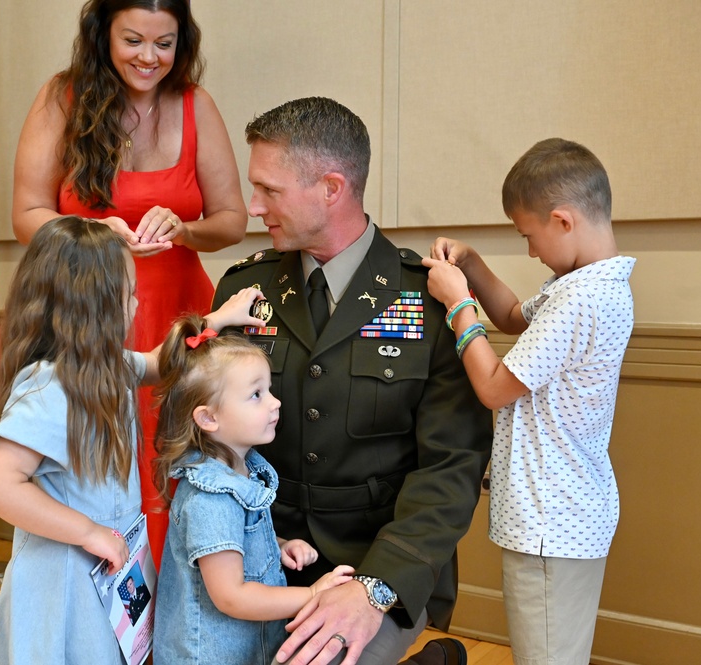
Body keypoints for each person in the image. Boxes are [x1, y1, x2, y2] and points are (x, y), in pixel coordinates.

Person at [211, 97, 492, 665]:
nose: (253, 205)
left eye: (269, 189)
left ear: (331, 188)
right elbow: (214, 443)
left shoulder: (428, 299)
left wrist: (375, 588)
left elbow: (450, 469)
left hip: (376, 561)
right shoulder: (245, 290)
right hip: (259, 555)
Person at [11, 0, 248, 568]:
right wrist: (94, 231)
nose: (149, 57)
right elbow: (26, 215)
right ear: (103, 35)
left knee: (182, 461)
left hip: (180, 311)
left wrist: (187, 230)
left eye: (164, 44)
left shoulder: (196, 104)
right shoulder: (61, 98)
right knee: (109, 464)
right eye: (133, 41)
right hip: (90, 314)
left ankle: (185, 619)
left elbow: (233, 221)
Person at [0, 216, 262, 665]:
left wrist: (218, 318)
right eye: (127, 293)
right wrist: (89, 532)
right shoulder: (49, 387)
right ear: (92, 305)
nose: (135, 304)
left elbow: (159, 362)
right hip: (65, 581)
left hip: (106, 573)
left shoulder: (107, 365)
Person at [422, 138, 636, 665]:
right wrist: (472, 266)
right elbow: (516, 317)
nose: (531, 251)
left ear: (563, 221)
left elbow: (494, 387)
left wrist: (458, 305)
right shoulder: (586, 285)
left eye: (529, 235)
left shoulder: (581, 298)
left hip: (551, 519)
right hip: (567, 511)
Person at [151, 315, 355, 664]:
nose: (275, 402)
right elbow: (231, 596)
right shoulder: (210, 499)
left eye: (269, 391)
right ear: (208, 418)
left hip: (248, 648)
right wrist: (312, 594)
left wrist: (279, 546)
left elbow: (236, 542)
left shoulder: (239, 470)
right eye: (256, 395)